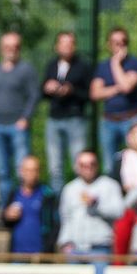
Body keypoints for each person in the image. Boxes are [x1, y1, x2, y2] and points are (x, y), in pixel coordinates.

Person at [0, 32, 39, 205]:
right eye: (7, 47)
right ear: (2, 49)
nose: (11, 50)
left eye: (15, 46)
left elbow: (33, 95)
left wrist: (25, 118)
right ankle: (5, 208)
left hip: (18, 126)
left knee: (21, 170)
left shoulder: (26, 69)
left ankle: (22, 205)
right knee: (2, 170)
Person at [42, 31, 93, 192]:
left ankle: (79, 200)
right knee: (55, 166)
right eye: (63, 43)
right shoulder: (51, 65)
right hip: (54, 118)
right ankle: (59, 206)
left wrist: (71, 90)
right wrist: (47, 88)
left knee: (79, 164)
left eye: (70, 43)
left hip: (75, 118)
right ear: (57, 46)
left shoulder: (83, 66)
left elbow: (89, 94)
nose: (66, 47)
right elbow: (42, 92)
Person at [91, 27, 137, 172]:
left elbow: (127, 87)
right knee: (109, 164)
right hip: (108, 121)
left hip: (131, 119)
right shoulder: (102, 66)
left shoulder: (135, 63)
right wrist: (117, 87)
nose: (120, 45)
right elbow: (95, 93)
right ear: (109, 44)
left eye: (123, 42)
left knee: (135, 160)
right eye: (115, 42)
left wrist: (115, 64)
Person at [57, 150, 124, 256]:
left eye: (92, 164)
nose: (88, 168)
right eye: (83, 165)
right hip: (74, 248)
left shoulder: (110, 185)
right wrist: (64, 241)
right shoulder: (69, 189)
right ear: (77, 167)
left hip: (101, 247)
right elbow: (65, 218)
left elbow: (119, 212)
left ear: (98, 165)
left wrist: (96, 206)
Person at [3, 156, 59, 254]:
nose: (30, 174)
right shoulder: (14, 193)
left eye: (34, 170)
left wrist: (47, 249)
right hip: (17, 255)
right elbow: (5, 222)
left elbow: (55, 225)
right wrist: (7, 216)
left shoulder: (47, 194)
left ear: (39, 172)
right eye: (27, 170)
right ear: (21, 171)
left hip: (40, 255)